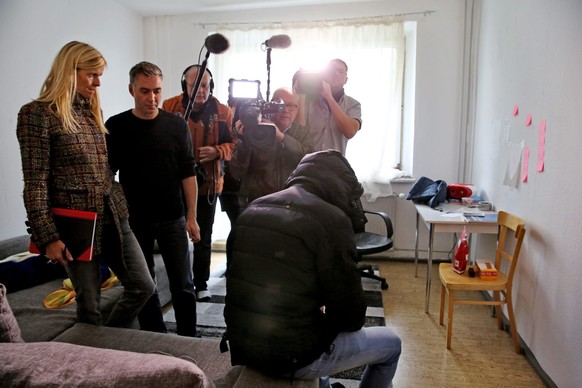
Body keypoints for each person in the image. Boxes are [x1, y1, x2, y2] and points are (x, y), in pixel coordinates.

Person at [223, 150, 401, 387]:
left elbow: (241, 282)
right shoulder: (332, 220)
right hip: (292, 356)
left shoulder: (254, 208)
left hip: (242, 344)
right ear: (340, 186)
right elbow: (352, 318)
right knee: (392, 344)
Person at [16, 41, 155, 328]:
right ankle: (95, 357)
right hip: (76, 225)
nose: (98, 82)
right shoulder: (36, 114)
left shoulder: (92, 112)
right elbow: (35, 181)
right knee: (89, 307)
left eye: (100, 74)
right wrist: (47, 237)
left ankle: (109, 340)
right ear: (70, 70)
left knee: (143, 286)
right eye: (92, 74)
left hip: (114, 216)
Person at [105, 61, 200, 337]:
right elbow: (107, 177)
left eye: (157, 91)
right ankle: (155, 337)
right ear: (131, 90)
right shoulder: (117, 126)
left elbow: (188, 173)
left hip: (173, 217)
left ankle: (188, 339)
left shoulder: (176, 125)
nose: (152, 98)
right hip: (135, 220)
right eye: (145, 91)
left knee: (183, 284)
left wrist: (192, 217)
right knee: (146, 285)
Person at [162, 65, 234, 302]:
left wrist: (217, 151)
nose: (201, 90)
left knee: (202, 235)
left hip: (209, 185)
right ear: (186, 86)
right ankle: (180, 284)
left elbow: (235, 146)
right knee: (175, 235)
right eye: (195, 85)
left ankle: (201, 284)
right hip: (175, 184)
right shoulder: (170, 107)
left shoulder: (223, 111)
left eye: (205, 85)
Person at [229, 87, 314, 209]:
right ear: (270, 106)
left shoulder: (302, 133)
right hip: (257, 203)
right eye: (280, 105)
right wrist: (244, 141)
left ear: (297, 109)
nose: (285, 110)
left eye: (291, 106)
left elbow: (309, 160)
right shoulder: (255, 129)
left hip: (291, 204)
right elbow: (237, 172)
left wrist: (281, 137)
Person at [295, 59, 362, 154]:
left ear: (346, 80)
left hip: (335, 164)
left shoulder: (353, 104)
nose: (336, 74)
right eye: (331, 70)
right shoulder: (310, 101)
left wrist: (329, 97)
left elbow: (350, 132)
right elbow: (298, 132)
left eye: (341, 71)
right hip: (308, 163)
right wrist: (300, 93)